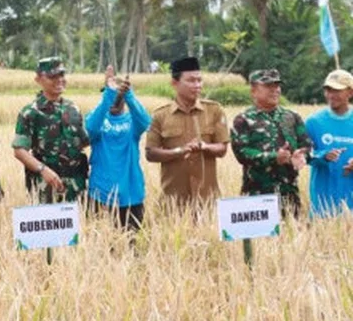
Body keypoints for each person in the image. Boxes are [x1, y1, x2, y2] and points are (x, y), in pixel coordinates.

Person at [145, 56, 230, 210]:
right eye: (191, 81)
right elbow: (150, 153)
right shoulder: (160, 115)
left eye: (199, 80)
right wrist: (179, 151)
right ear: (175, 83)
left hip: (208, 202)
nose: (197, 85)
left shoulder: (214, 110)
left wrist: (204, 146)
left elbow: (222, 149)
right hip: (173, 202)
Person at [231, 69, 313, 219]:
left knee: (292, 238)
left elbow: (306, 144)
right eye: (269, 86)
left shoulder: (292, 117)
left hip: (289, 193)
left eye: (277, 86)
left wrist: (301, 155)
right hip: (256, 195)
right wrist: (273, 157)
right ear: (254, 91)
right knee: (259, 241)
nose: (275, 90)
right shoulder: (243, 120)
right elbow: (241, 153)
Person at [12, 56, 89, 204]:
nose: (59, 80)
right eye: (53, 76)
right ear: (39, 79)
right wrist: (43, 170)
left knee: (78, 226)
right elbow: (19, 150)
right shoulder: (30, 112)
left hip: (75, 185)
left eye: (61, 75)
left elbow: (83, 142)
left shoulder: (73, 108)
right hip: (45, 186)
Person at [84, 66, 150, 231]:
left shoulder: (132, 122)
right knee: (100, 246)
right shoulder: (97, 119)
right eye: (111, 94)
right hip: (100, 193)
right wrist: (109, 93)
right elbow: (90, 129)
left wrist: (128, 94)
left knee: (132, 245)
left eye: (118, 96)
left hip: (131, 193)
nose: (115, 100)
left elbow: (145, 121)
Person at [306, 69, 353, 217]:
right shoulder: (313, 122)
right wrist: (323, 156)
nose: (331, 95)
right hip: (323, 201)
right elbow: (304, 155)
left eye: (337, 90)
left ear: (350, 92)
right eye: (328, 90)